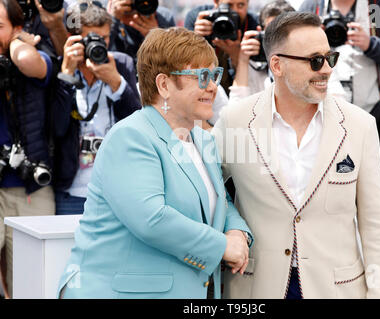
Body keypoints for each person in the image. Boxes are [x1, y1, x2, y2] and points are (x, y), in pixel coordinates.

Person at [57, 27, 252, 299]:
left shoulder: (203, 140)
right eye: (202, 76)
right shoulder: (131, 136)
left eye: (215, 75)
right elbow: (151, 218)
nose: (212, 86)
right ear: (163, 85)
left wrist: (238, 233)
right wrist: (222, 246)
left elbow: (221, 201)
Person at [213, 12, 380, 299]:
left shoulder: (359, 125)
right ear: (277, 65)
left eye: (330, 58)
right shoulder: (236, 120)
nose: (326, 69)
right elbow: (207, 190)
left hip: (336, 289)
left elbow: (377, 226)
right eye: (315, 60)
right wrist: (232, 227)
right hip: (255, 288)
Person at [299, 0, 380, 184]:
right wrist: (313, 41)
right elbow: (291, 53)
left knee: (374, 190)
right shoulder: (314, 8)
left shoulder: (376, 9)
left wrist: (371, 44)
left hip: (374, 120)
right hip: (321, 120)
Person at [52, 2, 140, 215]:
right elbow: (56, 128)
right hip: (72, 192)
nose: (99, 44)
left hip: (116, 191)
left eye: (104, 38)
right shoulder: (60, 68)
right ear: (74, 40)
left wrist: (115, 82)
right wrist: (66, 76)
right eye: (91, 38)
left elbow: (137, 123)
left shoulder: (121, 64)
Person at [0, 0, 56, 298]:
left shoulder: (34, 51)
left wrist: (17, 44)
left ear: (18, 28)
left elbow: (28, 63)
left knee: (30, 282)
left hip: (30, 187)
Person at [184, 0, 259, 95]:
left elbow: (256, 80)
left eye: (240, 5)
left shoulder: (253, 24)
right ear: (216, 2)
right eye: (229, 5)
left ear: (248, 5)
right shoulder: (199, 17)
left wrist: (237, 54)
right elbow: (187, 69)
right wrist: (196, 40)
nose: (234, 11)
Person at [107, 0, 175, 64]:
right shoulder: (107, 16)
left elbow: (173, 61)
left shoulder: (163, 17)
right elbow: (101, 53)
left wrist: (157, 38)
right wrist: (113, 21)